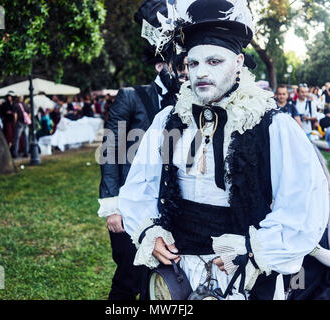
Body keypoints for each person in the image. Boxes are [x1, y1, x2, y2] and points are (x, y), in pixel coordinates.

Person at [117, 0, 329, 300]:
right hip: (178, 270)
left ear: (239, 62)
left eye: (214, 61)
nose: (201, 72)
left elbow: (304, 204)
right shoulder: (169, 120)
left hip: (242, 272)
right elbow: (139, 187)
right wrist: (147, 232)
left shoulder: (271, 124)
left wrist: (255, 250)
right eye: (193, 63)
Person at [97, 0, 187, 300]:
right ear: (159, 65)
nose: (181, 71)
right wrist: (112, 205)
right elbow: (110, 149)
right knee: (128, 276)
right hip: (128, 202)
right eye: (175, 64)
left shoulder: (187, 103)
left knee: (160, 281)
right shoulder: (131, 97)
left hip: (168, 206)